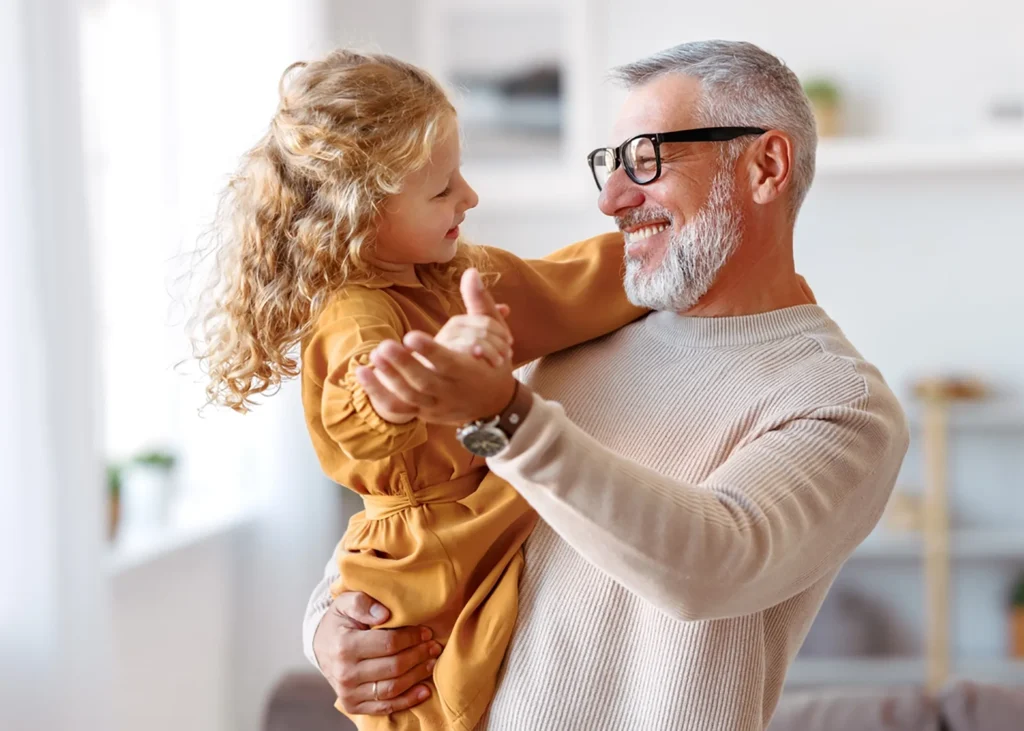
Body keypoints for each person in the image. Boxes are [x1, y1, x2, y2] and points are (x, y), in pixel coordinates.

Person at [304, 40, 910, 731]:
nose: (611, 199)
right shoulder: (579, 333)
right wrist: (329, 624)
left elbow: (712, 561)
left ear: (765, 165)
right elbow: (428, 503)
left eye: (646, 159)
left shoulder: (838, 401)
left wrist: (505, 414)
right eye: (610, 163)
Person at [189, 50, 646, 731]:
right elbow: (367, 396)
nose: (470, 197)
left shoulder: (455, 274)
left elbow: (564, 286)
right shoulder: (354, 310)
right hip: (422, 556)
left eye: (459, 176)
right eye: (442, 190)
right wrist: (424, 378)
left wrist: (658, 255)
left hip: (475, 517)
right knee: (425, 701)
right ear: (362, 215)